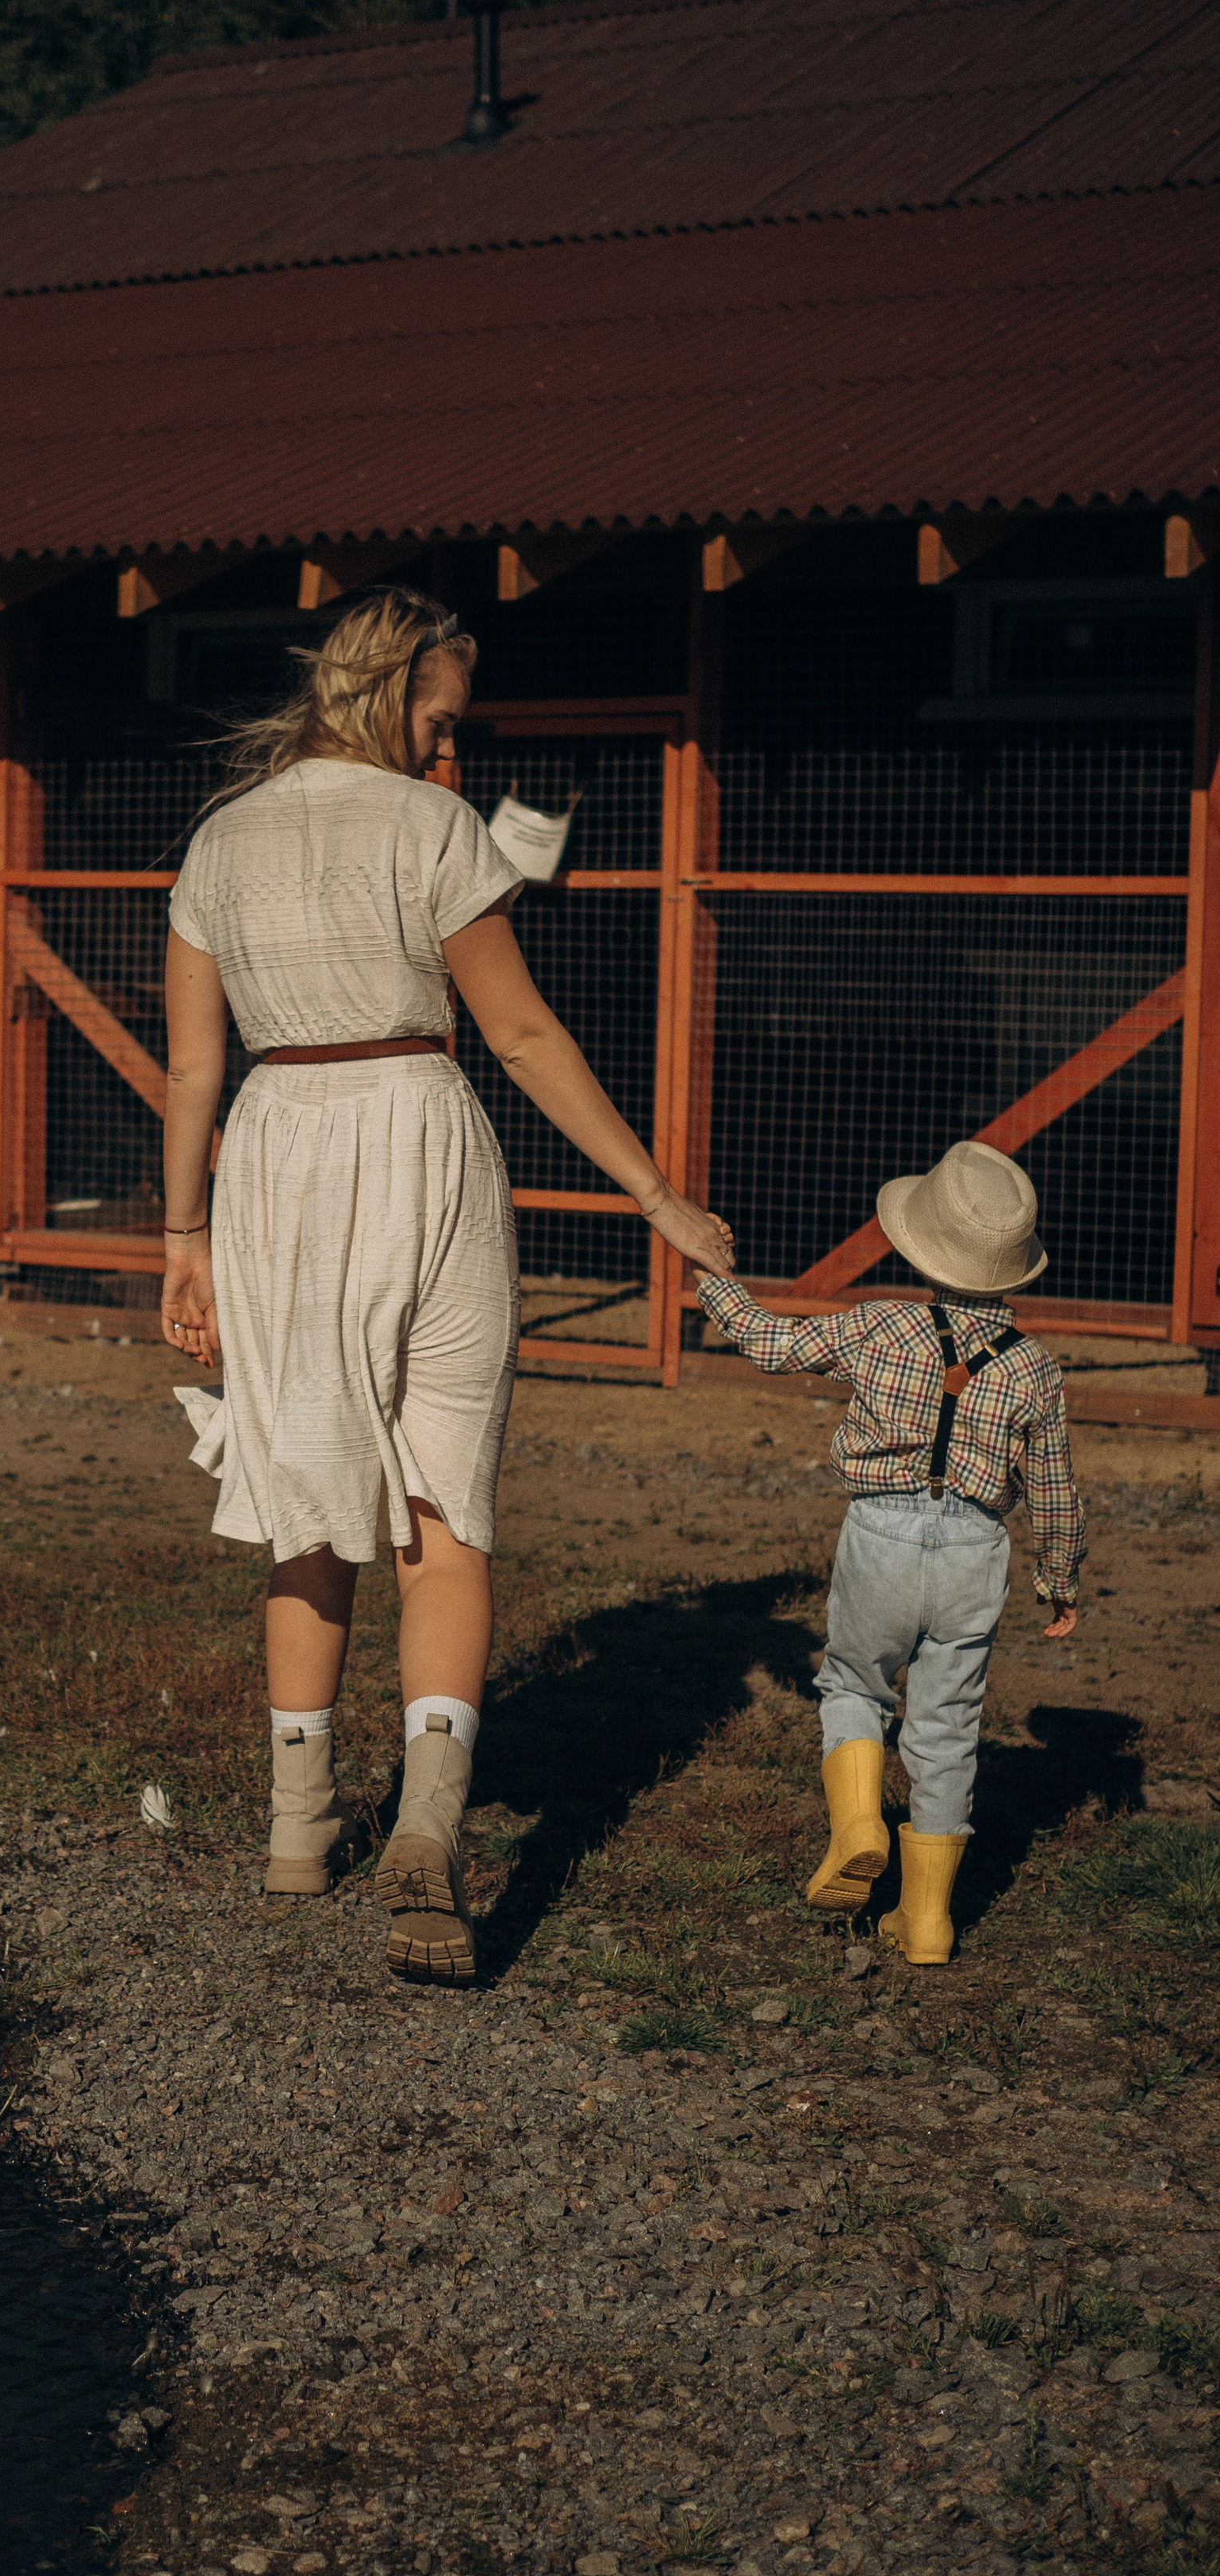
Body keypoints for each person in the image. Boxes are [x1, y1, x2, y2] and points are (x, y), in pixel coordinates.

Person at [158, 588, 735, 1986]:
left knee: (308, 1499)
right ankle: (425, 1823)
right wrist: (655, 1194)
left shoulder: (219, 841)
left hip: (276, 1155)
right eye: (444, 720)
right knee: (441, 1504)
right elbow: (521, 1030)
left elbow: (190, 1070)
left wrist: (180, 1237)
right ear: (391, 694)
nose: (453, 752)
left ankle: (299, 1832)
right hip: (422, 1133)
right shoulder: (434, 833)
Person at [696, 1139, 1085, 1967]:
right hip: (975, 1547)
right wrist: (1058, 1576)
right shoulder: (1035, 1370)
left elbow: (771, 1345)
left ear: (922, 1245)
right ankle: (928, 1921)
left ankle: (858, 1822)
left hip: (879, 1529)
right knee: (945, 1729)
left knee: (851, 1682)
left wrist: (716, 1283)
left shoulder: (881, 1323)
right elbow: (1052, 1485)